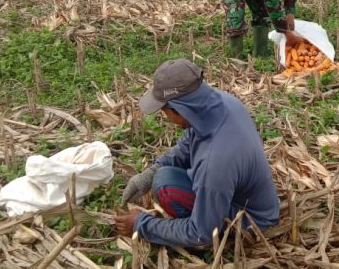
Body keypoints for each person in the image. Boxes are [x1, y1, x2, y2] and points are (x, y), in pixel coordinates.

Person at [114, 58, 279, 248]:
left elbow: (201, 233)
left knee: (166, 187)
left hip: (252, 219)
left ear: (179, 110)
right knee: (161, 176)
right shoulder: (221, 103)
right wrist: (150, 173)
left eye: (164, 111)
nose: (165, 117)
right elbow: (187, 145)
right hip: (250, 196)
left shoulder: (215, 163)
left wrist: (141, 225)